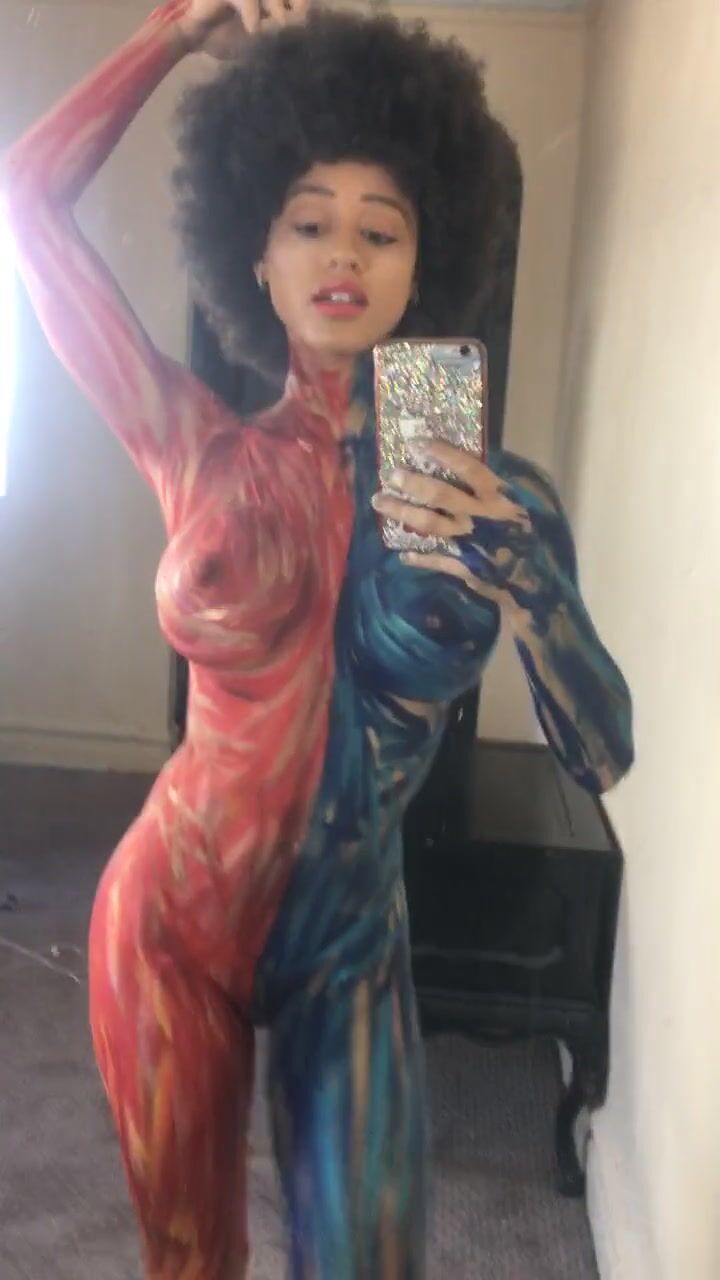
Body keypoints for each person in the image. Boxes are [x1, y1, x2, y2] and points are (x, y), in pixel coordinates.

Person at [1, 1, 634, 1275]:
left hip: (350, 944)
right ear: (256, 253)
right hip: (171, 921)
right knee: (192, 1260)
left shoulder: (495, 498)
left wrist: (530, 585)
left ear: (424, 261)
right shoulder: (195, 443)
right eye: (308, 220)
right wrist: (176, 29)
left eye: (381, 228)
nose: (344, 251)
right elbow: (25, 201)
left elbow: (604, 753)